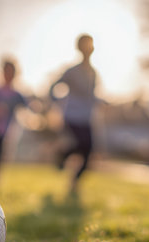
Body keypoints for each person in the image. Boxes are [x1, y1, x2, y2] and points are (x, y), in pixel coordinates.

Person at [49, 34, 97, 194]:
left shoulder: (93, 72)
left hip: (87, 118)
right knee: (77, 145)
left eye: (90, 45)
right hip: (71, 116)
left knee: (88, 151)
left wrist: (101, 102)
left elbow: (92, 95)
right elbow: (54, 87)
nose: (88, 49)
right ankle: (61, 156)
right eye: (84, 45)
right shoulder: (71, 71)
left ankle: (74, 180)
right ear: (79, 48)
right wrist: (56, 101)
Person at [0, 60, 27, 182]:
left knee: (2, 155)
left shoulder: (16, 94)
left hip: (6, 131)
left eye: (11, 72)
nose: (9, 74)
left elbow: (27, 106)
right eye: (6, 71)